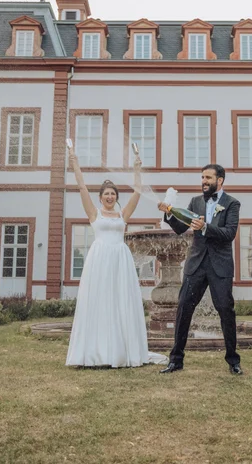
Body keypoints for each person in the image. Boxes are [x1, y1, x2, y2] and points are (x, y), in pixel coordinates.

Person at [65, 147, 167, 368]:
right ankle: (96, 352)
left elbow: (137, 192)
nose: (110, 197)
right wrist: (75, 164)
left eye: (113, 194)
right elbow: (82, 187)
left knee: (121, 302)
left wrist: (137, 169)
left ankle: (121, 350)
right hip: (100, 259)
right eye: (106, 194)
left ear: (116, 197)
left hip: (120, 260)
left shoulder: (123, 214)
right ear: (100, 197)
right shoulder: (94, 213)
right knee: (99, 301)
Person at [157, 164, 243, 375]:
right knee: (183, 309)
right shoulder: (195, 201)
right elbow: (181, 228)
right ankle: (176, 360)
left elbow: (229, 234)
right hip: (195, 265)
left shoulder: (232, 203)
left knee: (225, 310)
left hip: (220, 266)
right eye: (202, 177)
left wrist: (205, 227)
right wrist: (169, 214)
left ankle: (233, 361)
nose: (204, 181)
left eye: (208, 178)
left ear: (220, 180)